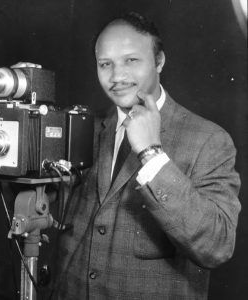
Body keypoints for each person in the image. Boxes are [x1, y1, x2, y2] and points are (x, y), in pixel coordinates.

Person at [52, 12, 241, 299]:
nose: (116, 77)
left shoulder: (209, 139)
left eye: (131, 60)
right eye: (105, 64)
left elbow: (216, 246)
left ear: (159, 61)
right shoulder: (85, 130)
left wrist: (151, 153)